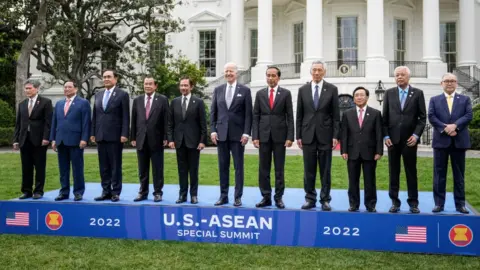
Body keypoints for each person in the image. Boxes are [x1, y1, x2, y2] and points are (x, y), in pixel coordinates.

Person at [296, 60, 340, 210]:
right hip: (307, 135)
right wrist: (298, 136)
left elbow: (336, 116)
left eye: (319, 70)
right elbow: (299, 115)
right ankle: (310, 199)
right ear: (310, 72)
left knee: (325, 170)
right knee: (308, 170)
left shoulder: (332, 89)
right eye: (314, 70)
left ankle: (325, 199)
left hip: (325, 136)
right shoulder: (303, 90)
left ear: (324, 72)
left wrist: (335, 136)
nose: (316, 73)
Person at [382, 66, 426, 213]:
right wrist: (386, 136)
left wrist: (416, 135)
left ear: (408, 77)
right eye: (397, 75)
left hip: (410, 140)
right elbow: (385, 118)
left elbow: (422, 118)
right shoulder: (389, 93)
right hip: (392, 141)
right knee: (393, 172)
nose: (399, 77)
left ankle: (413, 203)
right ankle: (395, 202)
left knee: (411, 171)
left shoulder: (418, 93)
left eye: (402, 75)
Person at [428, 73, 472, 214]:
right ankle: (439, 204)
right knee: (439, 175)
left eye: (452, 81)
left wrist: (455, 126)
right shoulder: (434, 100)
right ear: (441, 83)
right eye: (446, 81)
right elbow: (431, 116)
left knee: (459, 175)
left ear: (456, 83)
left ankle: (460, 204)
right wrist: (445, 128)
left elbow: (468, 115)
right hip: (441, 142)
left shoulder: (465, 99)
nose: (449, 83)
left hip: (459, 142)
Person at [210, 62, 253, 207]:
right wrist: (213, 130)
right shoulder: (218, 90)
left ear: (237, 74)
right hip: (221, 134)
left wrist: (247, 133)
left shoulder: (245, 91)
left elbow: (248, 115)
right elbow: (213, 112)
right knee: (223, 166)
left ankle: (237, 197)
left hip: (238, 135)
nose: (228, 74)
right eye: (226, 71)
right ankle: (223, 196)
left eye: (231, 71)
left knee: (238, 167)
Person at [252, 66, 294, 209]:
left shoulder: (286, 94)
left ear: (278, 77)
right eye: (268, 75)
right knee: (263, 168)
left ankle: (278, 197)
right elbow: (256, 116)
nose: (270, 78)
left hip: (280, 137)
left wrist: (290, 137)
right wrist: (255, 136)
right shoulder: (260, 94)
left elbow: (290, 116)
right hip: (263, 136)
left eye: (273, 76)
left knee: (279, 169)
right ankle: (265, 197)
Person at [341, 86, 383, 212]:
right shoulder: (347, 114)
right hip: (352, 151)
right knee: (353, 180)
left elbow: (379, 134)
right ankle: (354, 204)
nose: (359, 97)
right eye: (356, 95)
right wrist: (344, 150)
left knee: (370, 180)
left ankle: (370, 204)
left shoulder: (375, 113)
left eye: (362, 95)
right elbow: (344, 134)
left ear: (367, 97)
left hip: (370, 152)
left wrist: (379, 151)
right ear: (354, 98)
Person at [91, 70, 130, 202]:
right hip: (100, 135)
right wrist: (93, 133)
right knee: (104, 166)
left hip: (115, 136)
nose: (106, 79)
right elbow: (95, 115)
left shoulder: (122, 94)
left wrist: (124, 133)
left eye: (109, 77)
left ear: (115, 79)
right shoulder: (98, 95)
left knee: (115, 166)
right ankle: (105, 191)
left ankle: (115, 192)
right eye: (104, 77)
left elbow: (126, 116)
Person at [168, 77, 207, 204]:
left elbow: (203, 123)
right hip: (179, 141)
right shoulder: (174, 102)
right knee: (182, 170)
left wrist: (202, 141)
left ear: (191, 87)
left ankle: (194, 195)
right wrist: (171, 139)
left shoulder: (198, 102)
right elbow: (170, 123)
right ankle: (182, 195)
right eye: (181, 85)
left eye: (186, 85)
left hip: (194, 142)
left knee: (194, 170)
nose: (183, 88)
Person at [50, 81, 91, 201]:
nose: (67, 89)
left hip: (76, 141)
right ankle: (64, 192)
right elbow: (54, 122)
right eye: (65, 87)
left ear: (76, 89)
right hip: (61, 141)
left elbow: (86, 122)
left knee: (77, 168)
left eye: (69, 87)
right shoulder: (59, 103)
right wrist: (53, 139)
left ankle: (78, 192)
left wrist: (84, 138)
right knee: (63, 169)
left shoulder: (83, 103)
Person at [130, 76, 169, 202]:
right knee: (142, 168)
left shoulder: (162, 100)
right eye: (145, 84)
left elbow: (166, 120)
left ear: (155, 86)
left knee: (158, 168)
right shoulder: (137, 100)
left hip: (156, 139)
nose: (147, 86)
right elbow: (134, 120)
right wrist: (133, 137)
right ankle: (143, 192)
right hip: (141, 139)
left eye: (150, 84)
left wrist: (165, 137)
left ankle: (158, 192)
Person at [13, 79, 52, 199]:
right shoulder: (22, 104)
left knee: (39, 166)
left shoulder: (46, 102)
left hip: (39, 140)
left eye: (29, 88)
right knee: (26, 167)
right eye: (26, 88)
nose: (27, 90)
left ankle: (38, 191)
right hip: (24, 140)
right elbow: (19, 123)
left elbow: (48, 122)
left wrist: (46, 138)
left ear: (37, 88)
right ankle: (26, 191)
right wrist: (16, 140)